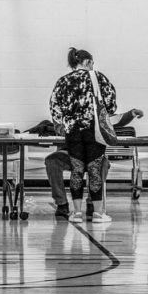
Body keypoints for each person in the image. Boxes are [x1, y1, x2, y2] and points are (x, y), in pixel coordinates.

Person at [49, 47, 117, 224]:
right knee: (94, 170)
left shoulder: (63, 81)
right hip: (93, 131)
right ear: (87, 62)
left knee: (77, 170)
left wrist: (62, 124)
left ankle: (76, 213)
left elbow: (54, 106)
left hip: (73, 131)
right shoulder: (98, 77)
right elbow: (111, 103)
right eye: (92, 62)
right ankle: (97, 214)